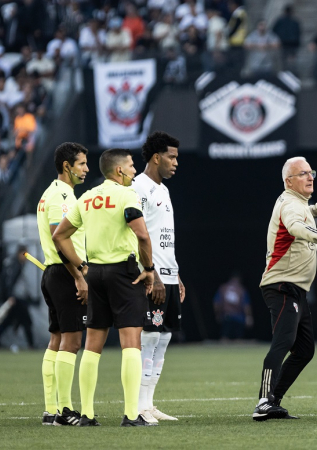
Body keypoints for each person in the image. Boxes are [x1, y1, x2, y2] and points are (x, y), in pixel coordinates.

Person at [53, 149, 155, 427]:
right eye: (132, 166)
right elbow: (143, 235)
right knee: (131, 342)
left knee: (92, 345)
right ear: (119, 171)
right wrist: (149, 269)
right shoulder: (127, 195)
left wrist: (82, 267)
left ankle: (86, 415)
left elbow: (59, 236)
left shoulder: (86, 197)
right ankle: (132, 416)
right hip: (124, 273)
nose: (135, 171)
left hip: (94, 273)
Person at [253, 156, 317, 421]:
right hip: (282, 285)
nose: (310, 177)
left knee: (304, 350)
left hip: (296, 288)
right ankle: (263, 401)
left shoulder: (298, 202)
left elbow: (308, 210)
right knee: (283, 342)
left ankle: (274, 401)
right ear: (288, 181)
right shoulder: (289, 205)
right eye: (303, 173)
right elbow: (295, 225)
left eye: (311, 172)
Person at [133, 131, 186, 424]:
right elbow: (137, 234)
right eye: (171, 156)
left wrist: (175, 275)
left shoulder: (163, 190)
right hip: (151, 275)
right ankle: (139, 406)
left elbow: (164, 238)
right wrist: (149, 273)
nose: (175, 162)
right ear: (156, 157)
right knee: (149, 336)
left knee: (163, 337)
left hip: (168, 273)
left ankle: (149, 404)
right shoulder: (138, 187)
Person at [36, 142, 89, 426]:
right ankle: (66, 410)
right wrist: (80, 273)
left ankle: (50, 408)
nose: (86, 169)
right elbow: (60, 238)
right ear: (67, 166)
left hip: (52, 273)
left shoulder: (49, 193)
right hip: (65, 273)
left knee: (56, 339)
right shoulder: (62, 195)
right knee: (72, 341)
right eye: (82, 164)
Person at [213, 274, 253, 340]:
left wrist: (218, 314)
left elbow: (216, 303)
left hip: (228, 316)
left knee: (225, 337)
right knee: (237, 338)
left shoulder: (223, 288)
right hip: (237, 317)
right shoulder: (241, 289)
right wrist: (249, 317)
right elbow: (246, 306)